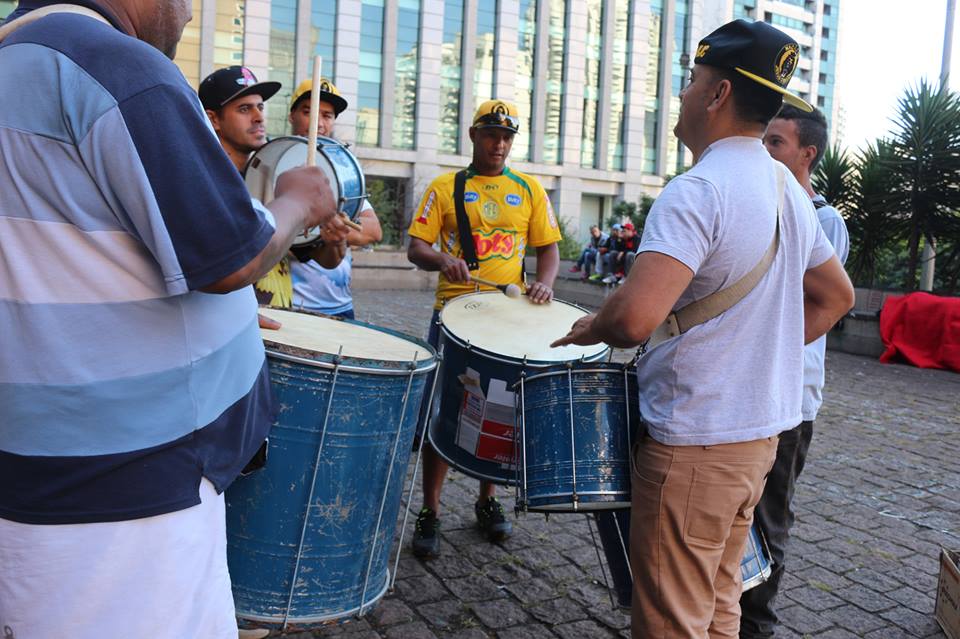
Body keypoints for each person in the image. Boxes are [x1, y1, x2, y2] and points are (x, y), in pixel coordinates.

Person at [0, 1, 338, 637]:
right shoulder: (119, 68)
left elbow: (64, 254)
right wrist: (297, 202)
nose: (186, 11)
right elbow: (227, 260)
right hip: (128, 492)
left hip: (35, 465)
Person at [552, 20, 854, 638]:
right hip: (757, 441)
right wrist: (755, 356)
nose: (684, 94)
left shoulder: (698, 190)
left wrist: (593, 325)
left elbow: (635, 318)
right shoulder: (784, 189)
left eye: (692, 81)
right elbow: (836, 296)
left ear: (717, 95)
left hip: (695, 442)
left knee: (671, 622)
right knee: (719, 608)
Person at [406, 99, 561, 557]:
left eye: (507, 136)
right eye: (491, 134)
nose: (500, 143)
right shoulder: (444, 187)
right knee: (444, 412)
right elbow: (416, 248)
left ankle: (487, 501)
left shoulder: (529, 190)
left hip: (506, 318)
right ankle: (430, 510)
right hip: (455, 314)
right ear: (473, 136)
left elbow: (548, 252)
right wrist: (442, 259)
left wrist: (546, 286)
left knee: (495, 412)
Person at [739, 104, 850, 639]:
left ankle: (757, 624)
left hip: (790, 397)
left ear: (807, 153)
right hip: (749, 388)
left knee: (769, 518)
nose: (766, 151)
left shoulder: (823, 218)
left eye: (777, 143)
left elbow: (819, 301)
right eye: (764, 140)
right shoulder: (764, 204)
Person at [199, 67, 348, 312]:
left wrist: (334, 242)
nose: (258, 117)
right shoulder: (204, 180)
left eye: (260, 107)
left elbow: (322, 259)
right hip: (232, 320)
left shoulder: (275, 175)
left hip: (281, 317)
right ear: (214, 119)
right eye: (244, 109)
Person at [287, 78, 383, 319]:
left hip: (340, 305)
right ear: (292, 115)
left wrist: (321, 230)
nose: (318, 123)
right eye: (308, 112)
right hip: (289, 306)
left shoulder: (341, 170)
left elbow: (372, 231)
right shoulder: (271, 162)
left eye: (327, 115)